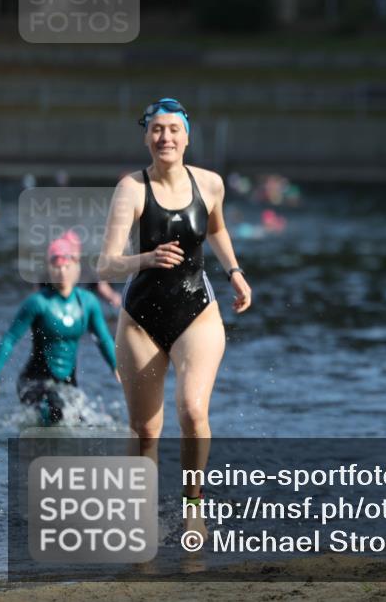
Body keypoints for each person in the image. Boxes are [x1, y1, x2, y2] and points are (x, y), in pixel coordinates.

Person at [97, 98, 252, 539]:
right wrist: (146, 257)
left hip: (197, 313)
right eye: (157, 130)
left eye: (173, 130)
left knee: (192, 409)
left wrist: (235, 272)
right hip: (140, 318)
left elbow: (216, 229)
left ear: (187, 136)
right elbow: (106, 264)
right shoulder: (131, 188)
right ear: (147, 136)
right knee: (145, 429)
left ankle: (192, 506)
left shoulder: (210, 184)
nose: (165, 138)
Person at [0, 231, 119, 425]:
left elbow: (103, 338)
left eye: (67, 266)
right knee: (54, 411)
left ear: (77, 267)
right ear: (50, 269)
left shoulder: (88, 302)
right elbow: (9, 339)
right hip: (33, 381)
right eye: (57, 267)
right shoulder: (37, 302)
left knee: (82, 422)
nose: (62, 272)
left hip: (67, 382)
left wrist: (116, 365)